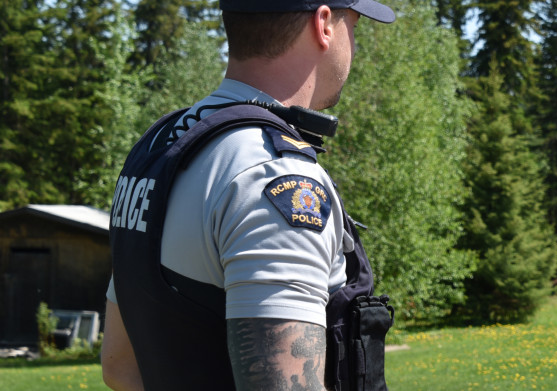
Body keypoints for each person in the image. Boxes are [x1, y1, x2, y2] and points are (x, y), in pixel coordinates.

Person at [100, 1, 396, 390]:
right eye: (353, 27)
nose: (354, 46)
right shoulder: (276, 177)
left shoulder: (159, 146)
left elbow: (120, 367)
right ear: (323, 24)